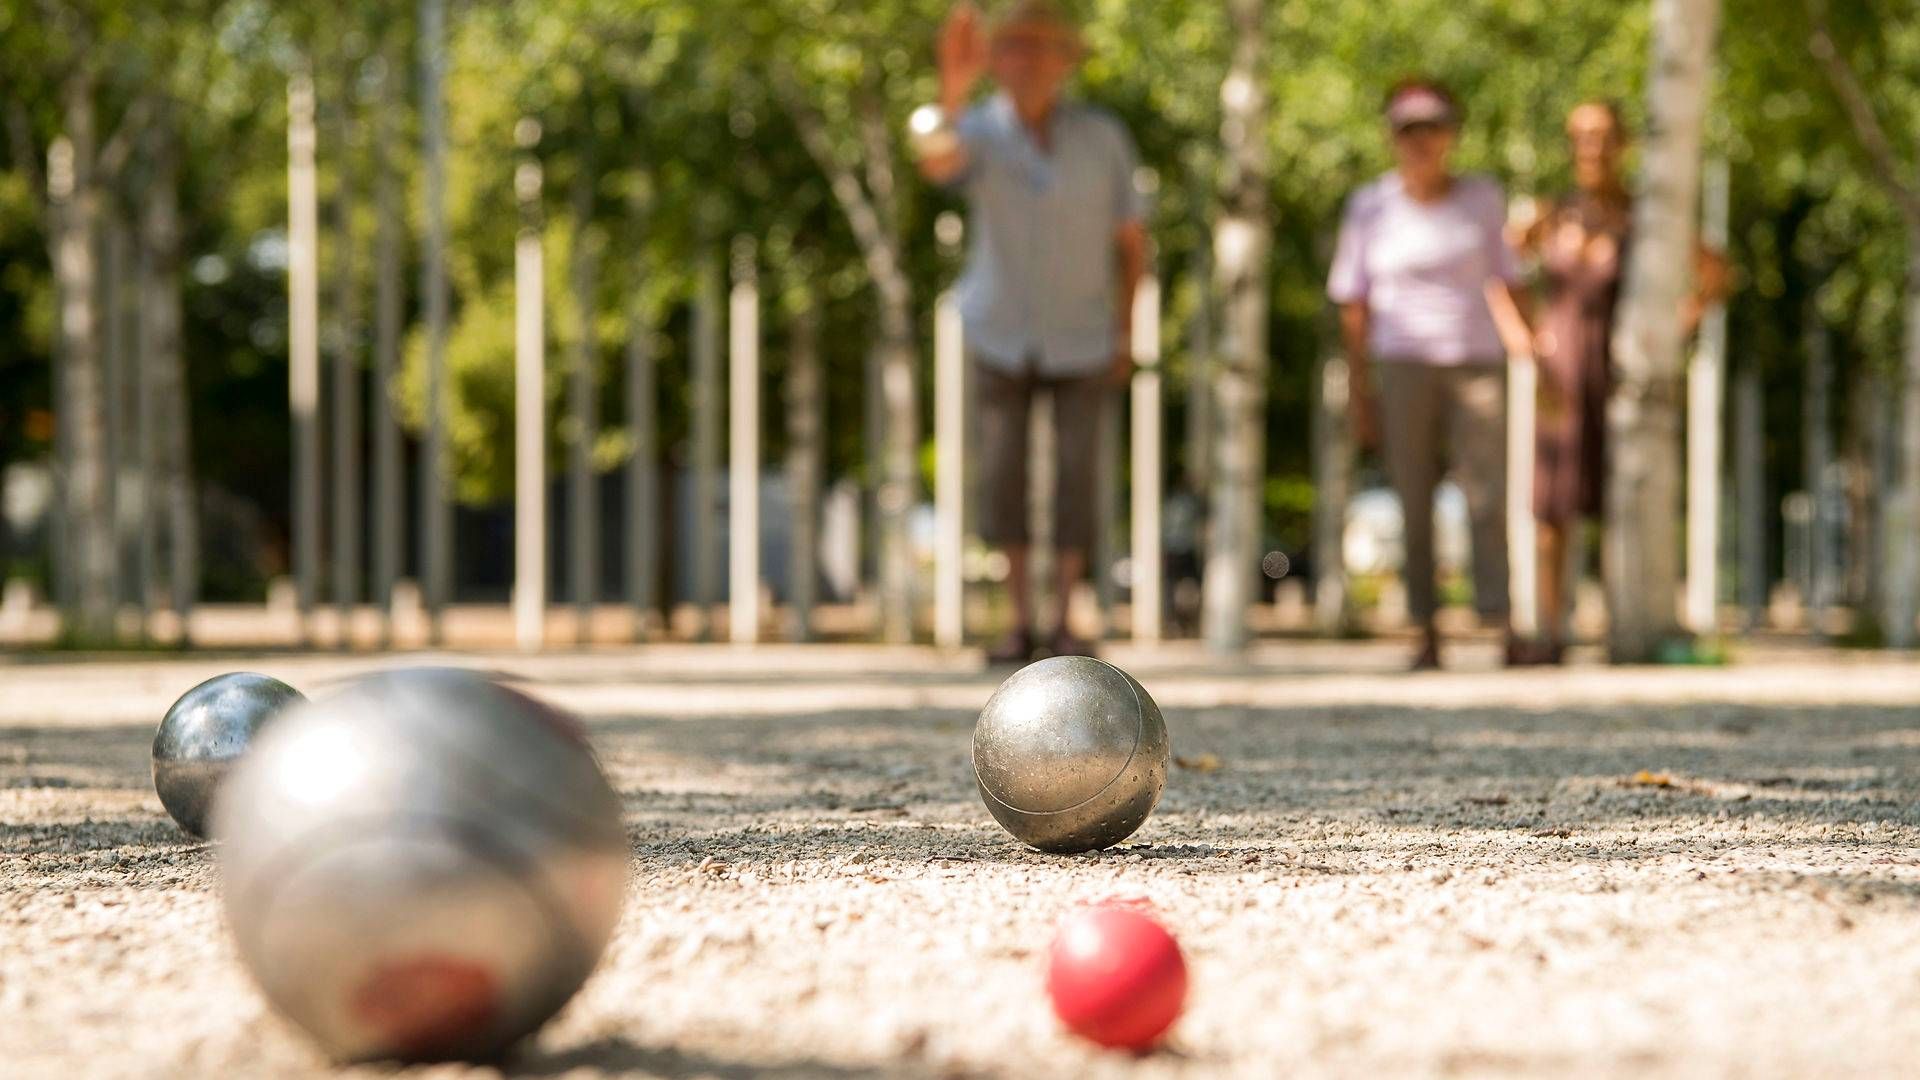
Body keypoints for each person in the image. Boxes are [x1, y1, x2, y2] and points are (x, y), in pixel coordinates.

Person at [914, 0, 1148, 663]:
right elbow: (936, 164)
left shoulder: (1104, 137)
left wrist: (1127, 332)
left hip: (1084, 332)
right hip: (999, 327)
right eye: (1011, 47)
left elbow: (1131, 241)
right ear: (995, 60)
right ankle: (1020, 621)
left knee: (1079, 474)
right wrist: (951, 89)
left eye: (1038, 46)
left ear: (1063, 61)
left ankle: (1066, 618)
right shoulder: (979, 129)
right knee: (1004, 473)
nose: (1023, 59)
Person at [1328, 79, 1533, 671]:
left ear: (1451, 135)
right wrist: (1360, 388)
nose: (1422, 140)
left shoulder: (1483, 199)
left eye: (1434, 127)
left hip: (1475, 362)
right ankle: (1426, 629)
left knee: (1487, 494)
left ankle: (1501, 622)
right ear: (1393, 139)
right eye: (1408, 130)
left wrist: (1537, 352)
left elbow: (1510, 282)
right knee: (1412, 498)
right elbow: (1354, 306)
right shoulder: (1370, 207)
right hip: (1402, 363)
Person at [1517, 101, 1728, 663]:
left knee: (1620, 507)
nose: (1592, 147)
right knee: (1551, 510)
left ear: (1624, 144)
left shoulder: (1643, 217)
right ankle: (1550, 635)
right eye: (1581, 136)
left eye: (1604, 136)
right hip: (1558, 376)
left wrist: (1675, 328)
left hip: (1620, 376)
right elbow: (1498, 271)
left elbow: (1714, 271)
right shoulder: (1552, 215)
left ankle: (1621, 629)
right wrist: (1526, 343)